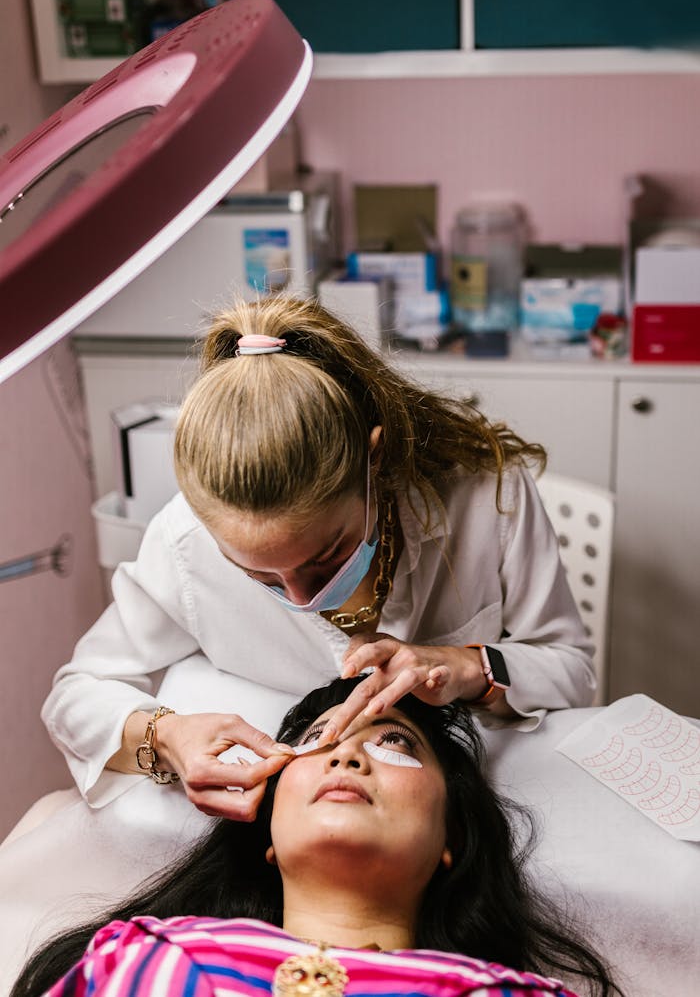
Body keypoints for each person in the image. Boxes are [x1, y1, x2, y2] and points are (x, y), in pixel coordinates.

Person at [42, 295, 595, 821]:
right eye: (257, 573)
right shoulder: (183, 540)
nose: (301, 599)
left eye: (327, 555)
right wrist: (163, 737)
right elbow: (76, 694)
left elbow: (573, 670)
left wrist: (468, 668)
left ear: (373, 462)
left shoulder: (484, 494)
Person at [12, 677, 623, 997]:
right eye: (317, 739)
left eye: (394, 742)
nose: (347, 755)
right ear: (269, 835)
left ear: (451, 837)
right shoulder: (146, 956)